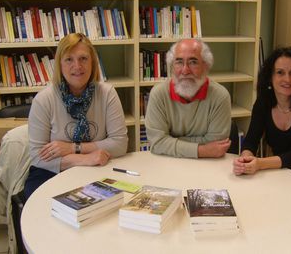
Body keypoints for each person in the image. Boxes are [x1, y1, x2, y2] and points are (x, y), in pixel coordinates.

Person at [24, 33, 128, 199]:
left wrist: (73, 148)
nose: (77, 66)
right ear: (60, 64)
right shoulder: (44, 99)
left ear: (92, 62)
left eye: (83, 59)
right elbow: (38, 157)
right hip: (52, 172)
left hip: (98, 168)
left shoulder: (107, 93)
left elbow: (120, 144)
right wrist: (85, 159)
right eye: (69, 59)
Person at [232, 46, 291, 190]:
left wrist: (259, 163)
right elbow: (251, 141)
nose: (287, 79)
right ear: (270, 77)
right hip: (282, 172)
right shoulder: (264, 102)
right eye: (280, 72)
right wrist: (245, 159)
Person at [145, 39, 231, 158]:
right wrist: (202, 150)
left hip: (208, 166)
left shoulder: (220, 96)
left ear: (205, 66)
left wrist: (170, 141)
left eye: (193, 62)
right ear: (172, 65)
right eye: (179, 62)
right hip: (168, 164)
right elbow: (157, 143)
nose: (185, 70)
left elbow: (217, 145)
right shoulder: (159, 94)